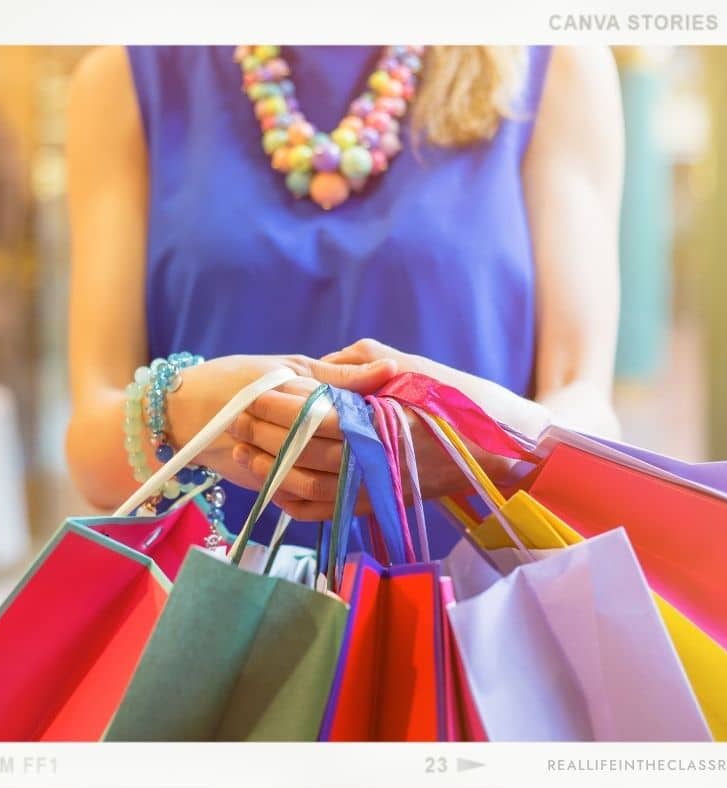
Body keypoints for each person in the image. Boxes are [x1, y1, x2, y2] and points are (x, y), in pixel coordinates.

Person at [66, 45, 623, 557]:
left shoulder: (553, 66)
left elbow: (589, 416)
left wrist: (477, 443)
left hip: (476, 620)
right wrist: (190, 411)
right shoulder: (125, 78)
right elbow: (90, 448)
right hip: (214, 624)